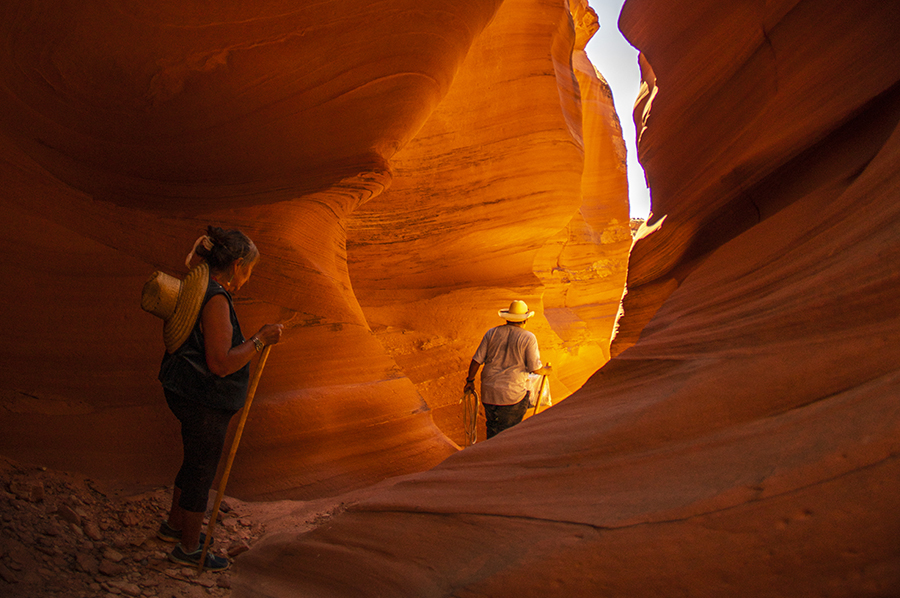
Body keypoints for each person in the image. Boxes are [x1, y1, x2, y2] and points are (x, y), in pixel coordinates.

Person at [151, 226, 283, 571]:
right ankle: (189, 548)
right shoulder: (216, 298)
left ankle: (173, 526)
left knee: (193, 459)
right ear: (238, 264)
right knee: (201, 470)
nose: (248, 277)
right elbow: (220, 362)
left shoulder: (202, 285)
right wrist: (260, 339)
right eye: (249, 270)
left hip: (183, 388)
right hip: (204, 399)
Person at [464, 300, 552, 439]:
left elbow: (476, 360)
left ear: (507, 318)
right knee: (509, 434)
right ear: (525, 320)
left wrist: (470, 380)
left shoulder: (492, 333)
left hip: (490, 392)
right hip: (512, 394)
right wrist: (547, 370)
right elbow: (535, 368)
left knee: (492, 429)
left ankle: (490, 456)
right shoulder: (528, 338)